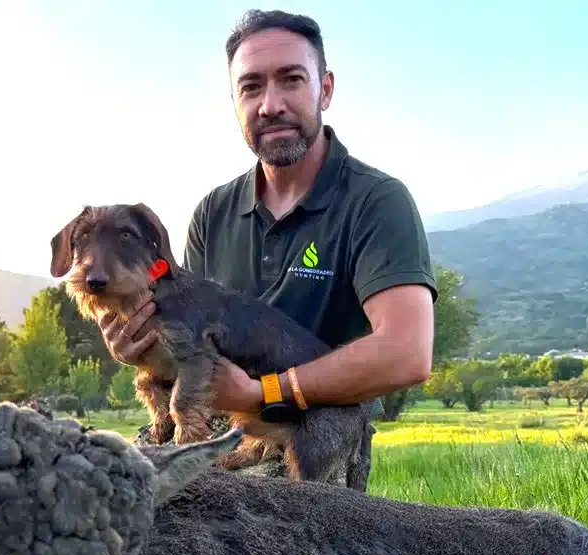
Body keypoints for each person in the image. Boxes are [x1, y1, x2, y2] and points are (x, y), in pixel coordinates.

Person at [100, 8, 436, 424]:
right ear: (235, 102)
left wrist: (264, 393)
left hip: (311, 430)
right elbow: (189, 336)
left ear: (325, 90)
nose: (269, 105)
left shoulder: (376, 200)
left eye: (291, 80)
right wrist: (137, 347)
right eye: (251, 87)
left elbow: (407, 354)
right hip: (217, 421)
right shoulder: (212, 212)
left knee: (189, 491)